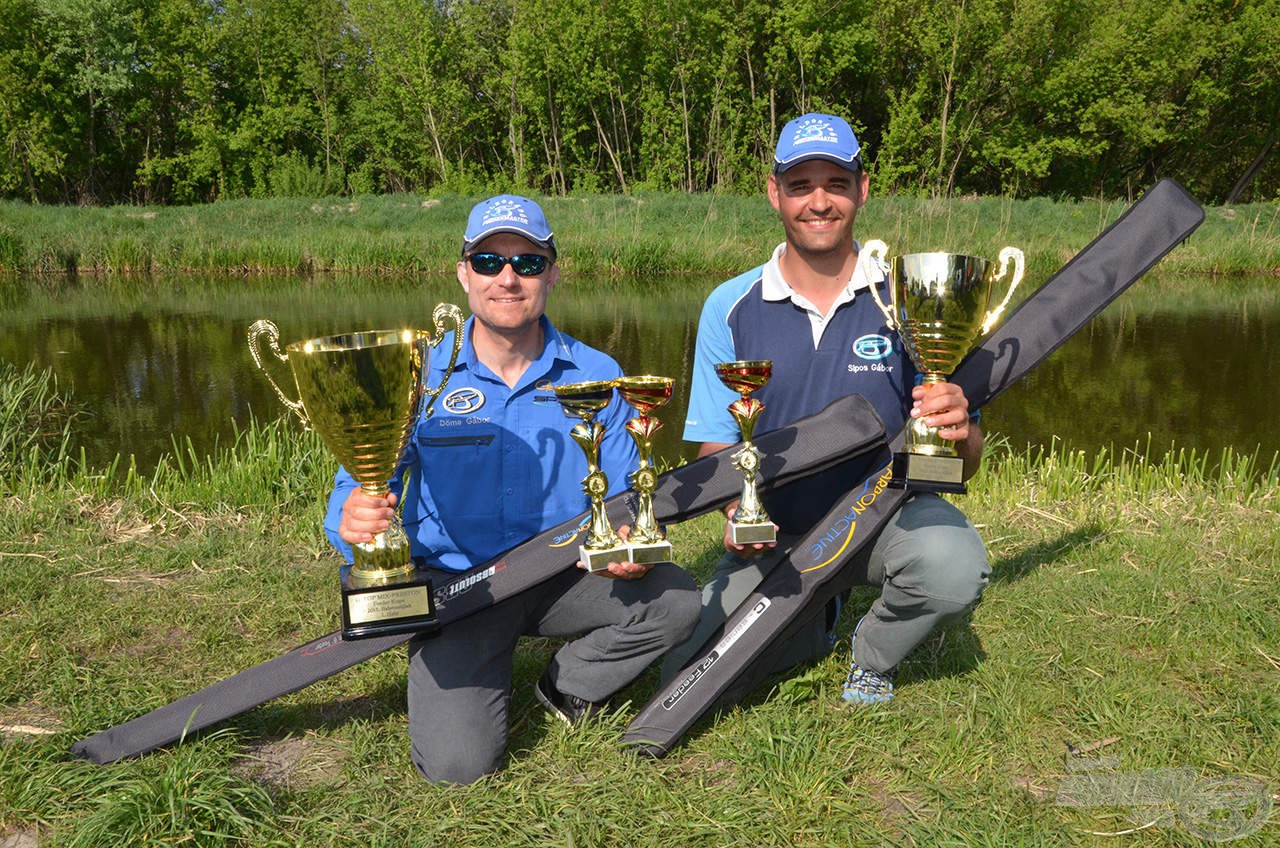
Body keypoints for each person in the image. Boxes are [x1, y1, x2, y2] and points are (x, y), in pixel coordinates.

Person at [325, 195, 699, 784]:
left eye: (527, 263)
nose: (507, 277)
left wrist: (626, 538)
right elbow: (360, 480)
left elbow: (629, 492)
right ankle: (455, 656)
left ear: (552, 272)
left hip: (566, 573)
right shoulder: (418, 372)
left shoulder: (596, 370)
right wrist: (352, 521)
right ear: (463, 273)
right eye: (488, 261)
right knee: (457, 768)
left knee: (675, 600)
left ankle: (568, 683)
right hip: (459, 586)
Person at [663, 113, 989, 705]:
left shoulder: (911, 295)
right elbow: (716, 445)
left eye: (836, 183)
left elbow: (964, 464)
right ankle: (815, 619)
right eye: (800, 185)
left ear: (862, 189)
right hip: (776, 533)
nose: (819, 202)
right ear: (774, 193)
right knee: (689, 678)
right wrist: (735, 511)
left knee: (951, 569)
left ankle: (871, 657)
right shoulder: (728, 305)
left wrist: (959, 428)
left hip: (885, 516)